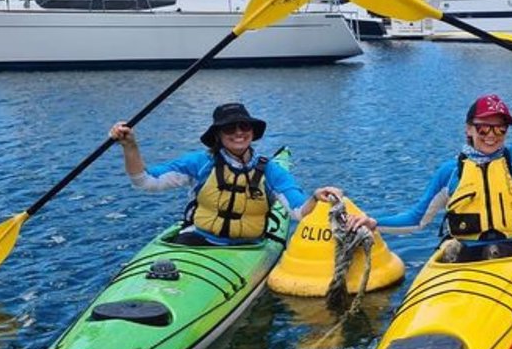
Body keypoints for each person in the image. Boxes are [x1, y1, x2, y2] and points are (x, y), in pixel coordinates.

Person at [346, 52, 512, 262]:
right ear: (469, 129)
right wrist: (375, 222)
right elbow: (417, 219)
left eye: (500, 129)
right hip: (467, 257)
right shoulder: (451, 172)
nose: (492, 136)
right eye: (483, 128)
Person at [109, 102, 346, 246]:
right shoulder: (200, 163)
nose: (239, 133)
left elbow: (298, 212)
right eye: (230, 128)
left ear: (253, 132)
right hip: (198, 240)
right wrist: (130, 146)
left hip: (248, 247)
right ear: (218, 135)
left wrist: (315, 197)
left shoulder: (271, 170)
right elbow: (145, 182)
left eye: (244, 127)